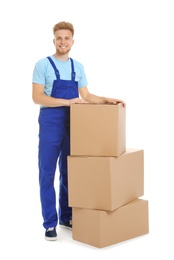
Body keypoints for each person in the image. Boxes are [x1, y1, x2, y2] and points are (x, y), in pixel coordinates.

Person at [32, 21, 126, 241]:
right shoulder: (42, 65)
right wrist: (66, 102)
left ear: (72, 41)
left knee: (69, 171)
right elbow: (37, 97)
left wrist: (107, 100)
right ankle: (49, 223)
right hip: (50, 122)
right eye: (59, 38)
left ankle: (66, 217)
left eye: (67, 38)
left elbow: (86, 96)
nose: (63, 42)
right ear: (53, 40)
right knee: (47, 173)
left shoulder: (78, 67)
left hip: (75, 122)